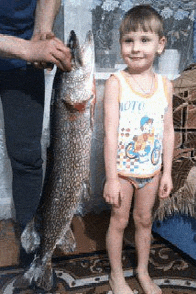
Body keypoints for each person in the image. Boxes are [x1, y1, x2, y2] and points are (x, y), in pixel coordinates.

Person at [103, 4, 174, 294]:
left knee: (144, 221)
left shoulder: (165, 85)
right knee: (119, 221)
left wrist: (167, 172)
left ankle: (143, 271)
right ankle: (116, 276)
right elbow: (109, 133)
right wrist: (109, 178)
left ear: (160, 45)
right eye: (128, 40)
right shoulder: (116, 82)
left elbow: (168, 132)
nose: (135, 48)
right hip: (121, 170)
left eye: (144, 40)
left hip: (152, 170)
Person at [0, 0, 72, 250]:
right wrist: (27, 49)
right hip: (22, 48)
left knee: (27, 157)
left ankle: (30, 248)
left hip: (23, 54)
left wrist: (41, 32)